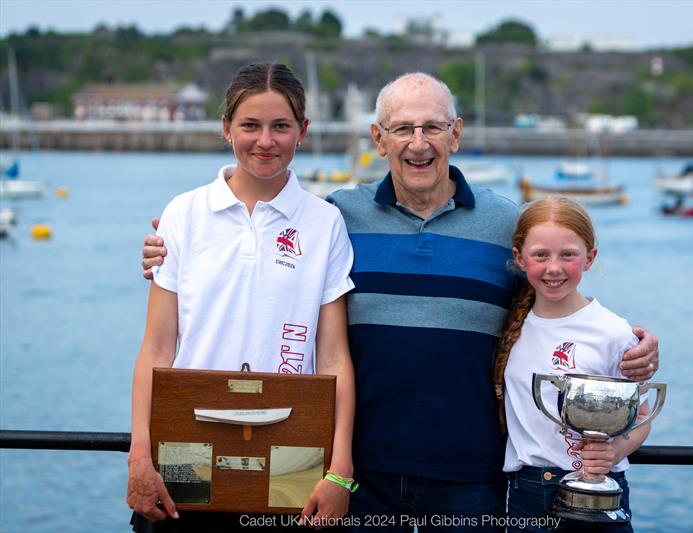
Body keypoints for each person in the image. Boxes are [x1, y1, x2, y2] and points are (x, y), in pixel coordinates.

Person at [142, 72, 659, 532]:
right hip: (360, 474)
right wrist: (170, 249)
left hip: (470, 474)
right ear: (378, 138)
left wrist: (627, 344)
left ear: (455, 134)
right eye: (403, 129)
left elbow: (557, 290)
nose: (419, 143)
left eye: (432, 127)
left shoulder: (507, 225)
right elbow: (261, 241)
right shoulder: (336, 217)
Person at [128, 62, 356, 532]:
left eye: (281, 126)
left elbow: (333, 357)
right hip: (186, 438)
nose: (265, 141)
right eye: (250, 125)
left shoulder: (324, 222)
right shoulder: (184, 213)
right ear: (226, 127)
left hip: (293, 443)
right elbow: (157, 348)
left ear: (303, 131)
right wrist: (139, 454)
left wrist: (340, 470)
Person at [494, 196, 652, 532]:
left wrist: (613, 450)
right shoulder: (510, 326)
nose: (554, 268)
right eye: (540, 255)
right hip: (526, 495)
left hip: (600, 494)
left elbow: (641, 417)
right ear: (519, 258)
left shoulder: (613, 332)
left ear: (590, 257)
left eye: (568, 254)